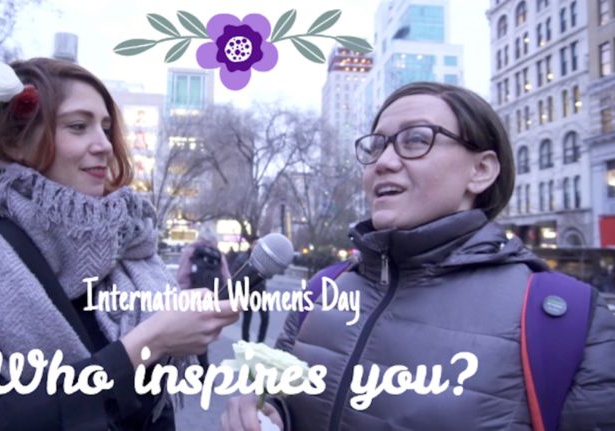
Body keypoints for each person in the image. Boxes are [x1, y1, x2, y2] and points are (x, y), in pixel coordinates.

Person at [221, 81, 615, 430]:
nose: (384, 162)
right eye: (376, 146)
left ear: (481, 170)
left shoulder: (568, 319)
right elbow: (291, 406)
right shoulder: (324, 288)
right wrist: (268, 416)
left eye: (415, 140)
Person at [0, 58, 238, 431]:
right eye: (78, 126)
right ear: (17, 141)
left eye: (105, 127)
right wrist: (146, 343)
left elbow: (160, 404)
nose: (103, 145)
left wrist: (187, 324)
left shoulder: (125, 241)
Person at [176, 222, 232, 371]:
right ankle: (200, 368)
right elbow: (227, 279)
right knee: (202, 335)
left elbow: (182, 275)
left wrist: (181, 296)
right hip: (211, 299)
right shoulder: (218, 255)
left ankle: (195, 368)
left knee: (187, 333)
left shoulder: (191, 251)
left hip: (192, 297)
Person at [230, 237, 269, 343]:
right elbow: (234, 275)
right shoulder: (242, 258)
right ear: (251, 245)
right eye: (255, 244)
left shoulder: (263, 259)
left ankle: (260, 342)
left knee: (265, 318)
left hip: (260, 293)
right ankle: (245, 342)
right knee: (247, 319)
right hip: (247, 294)